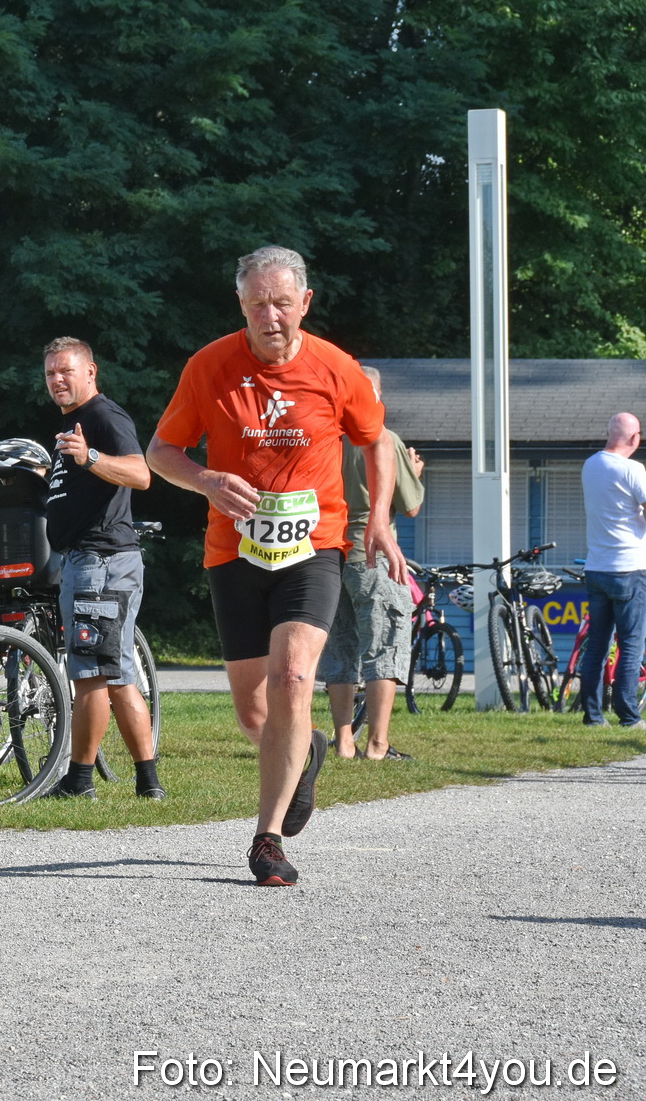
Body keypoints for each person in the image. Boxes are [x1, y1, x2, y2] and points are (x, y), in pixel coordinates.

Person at [147, 245, 405, 887]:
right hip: (234, 548)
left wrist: (377, 519)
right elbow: (160, 451)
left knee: (293, 677)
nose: (271, 316)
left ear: (305, 304)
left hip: (313, 543)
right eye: (258, 304)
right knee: (254, 711)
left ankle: (266, 840)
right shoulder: (209, 366)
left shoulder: (335, 368)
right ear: (242, 305)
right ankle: (309, 747)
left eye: (283, 303)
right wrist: (206, 479)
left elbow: (377, 443)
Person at [38, 337, 162, 800]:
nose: (57, 380)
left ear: (91, 371)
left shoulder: (103, 416)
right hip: (91, 560)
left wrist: (89, 457)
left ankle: (79, 781)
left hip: (101, 562)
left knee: (88, 672)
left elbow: (141, 473)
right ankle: (148, 782)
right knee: (117, 671)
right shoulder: (73, 423)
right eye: (50, 373)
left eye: (66, 371)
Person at [320, 366, 425, 760]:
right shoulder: (385, 438)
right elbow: (410, 505)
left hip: (331, 556)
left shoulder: (327, 439)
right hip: (375, 559)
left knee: (341, 649)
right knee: (385, 646)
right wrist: (413, 473)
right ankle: (377, 745)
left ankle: (344, 741)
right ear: (375, 396)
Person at [578, 412, 646, 727]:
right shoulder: (633, 469)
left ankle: (593, 715)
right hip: (630, 569)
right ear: (636, 439)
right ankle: (629, 716)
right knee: (631, 645)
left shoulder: (591, 465)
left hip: (596, 568)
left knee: (598, 644)